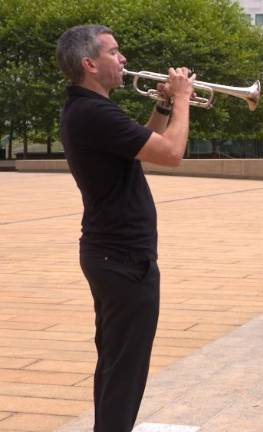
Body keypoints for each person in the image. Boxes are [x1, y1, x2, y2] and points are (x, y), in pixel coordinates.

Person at [56, 25, 194, 431]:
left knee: (116, 365)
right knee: (125, 373)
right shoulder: (93, 112)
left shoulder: (89, 110)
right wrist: (184, 97)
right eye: (114, 53)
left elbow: (142, 147)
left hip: (111, 254)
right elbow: (170, 154)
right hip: (122, 258)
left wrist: (165, 106)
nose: (124, 60)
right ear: (89, 64)